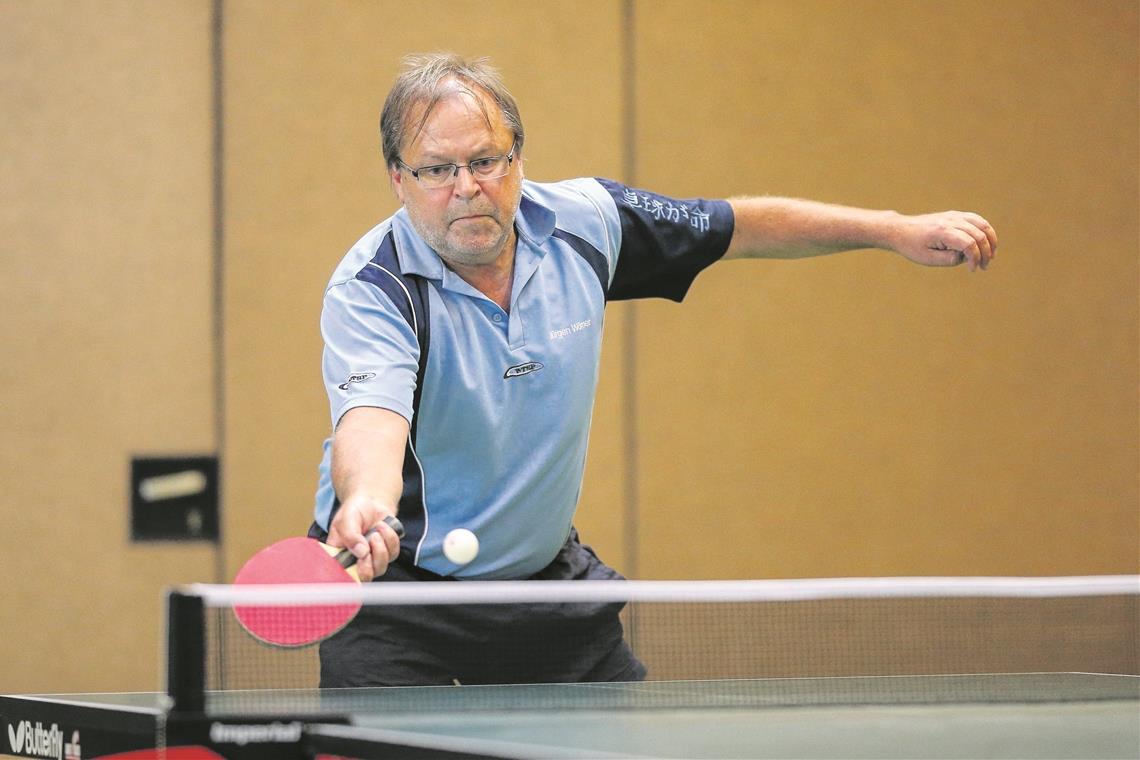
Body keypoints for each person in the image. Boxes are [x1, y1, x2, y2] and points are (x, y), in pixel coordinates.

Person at [310, 53, 997, 687]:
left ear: (518, 160)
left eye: (487, 159)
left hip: (538, 586)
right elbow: (372, 418)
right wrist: (366, 500)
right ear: (398, 180)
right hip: (394, 592)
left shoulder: (586, 225)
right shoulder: (373, 288)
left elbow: (739, 226)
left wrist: (893, 229)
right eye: (437, 169)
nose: (468, 187)